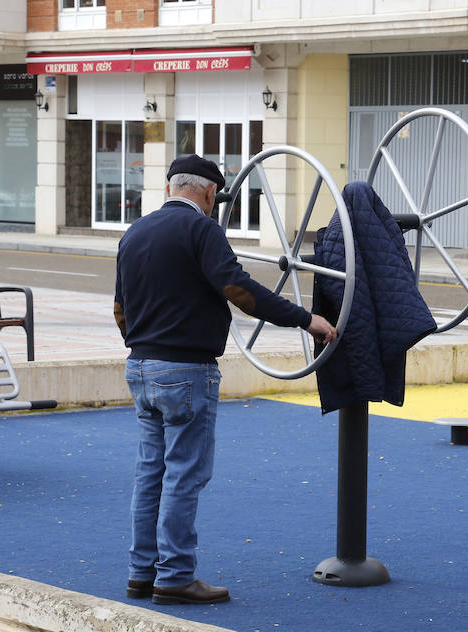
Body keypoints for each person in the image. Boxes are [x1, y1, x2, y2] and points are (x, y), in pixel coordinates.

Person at [113, 155, 337, 605]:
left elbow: (120, 307)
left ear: (172, 186)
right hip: (186, 370)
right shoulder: (202, 230)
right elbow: (238, 290)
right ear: (210, 193)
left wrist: (144, 345)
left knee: (150, 474)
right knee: (183, 476)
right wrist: (305, 319)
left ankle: (142, 572)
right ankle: (175, 576)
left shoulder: (134, 232)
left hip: (140, 366)